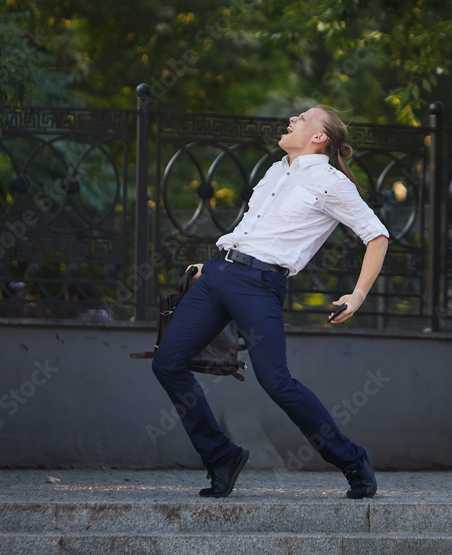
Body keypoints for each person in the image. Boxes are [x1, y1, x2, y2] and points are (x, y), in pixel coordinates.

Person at [151, 106, 389, 498]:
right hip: (217, 275)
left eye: (303, 117)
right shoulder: (277, 169)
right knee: (167, 362)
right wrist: (212, 264)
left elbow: (376, 237)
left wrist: (357, 295)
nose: (293, 118)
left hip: (260, 285)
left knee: (276, 382)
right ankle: (221, 455)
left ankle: (351, 459)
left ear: (320, 137)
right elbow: (256, 225)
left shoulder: (331, 183)